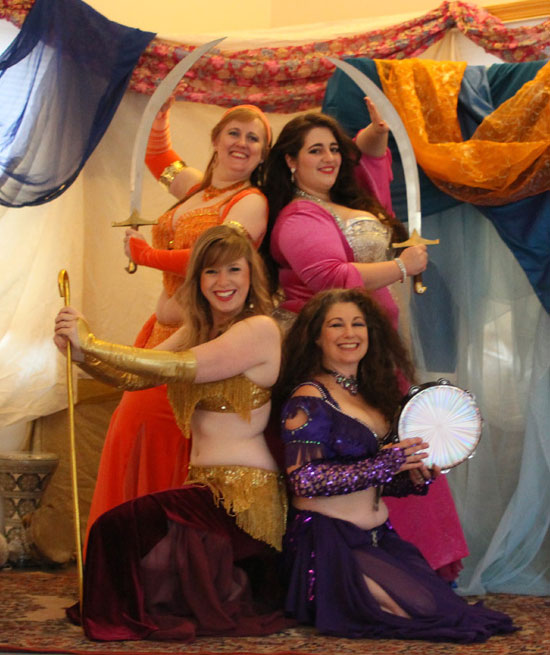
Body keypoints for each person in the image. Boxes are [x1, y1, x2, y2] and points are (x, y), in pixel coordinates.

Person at [54, 225, 292, 642]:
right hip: (202, 490)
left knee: (117, 529)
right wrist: (80, 355)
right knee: (131, 546)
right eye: (211, 272)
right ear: (197, 280)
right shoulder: (198, 330)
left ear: (250, 275)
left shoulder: (258, 329)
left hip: (242, 501)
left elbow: (179, 368)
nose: (223, 282)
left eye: (233, 270)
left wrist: (90, 341)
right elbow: (134, 376)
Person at [262, 107, 468, 580]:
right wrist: (401, 268)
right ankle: (363, 570)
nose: (329, 158)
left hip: (371, 355)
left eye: (334, 149)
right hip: (334, 355)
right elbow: (328, 277)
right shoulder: (297, 216)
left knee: (397, 443)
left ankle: (416, 566)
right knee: (361, 452)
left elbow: (371, 162)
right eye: (315, 150)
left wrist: (376, 132)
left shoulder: (344, 201)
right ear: (291, 161)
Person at [277, 288, 517, 642]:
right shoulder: (310, 398)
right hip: (329, 543)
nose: (349, 333)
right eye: (336, 325)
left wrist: (412, 477)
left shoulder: (370, 395)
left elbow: (372, 481)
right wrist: (387, 462)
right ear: (316, 336)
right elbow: (306, 480)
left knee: (445, 609)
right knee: (420, 612)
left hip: (378, 538)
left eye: (358, 324)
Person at [85, 104, 272, 548]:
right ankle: (122, 555)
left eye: (254, 138)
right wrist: (160, 110)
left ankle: (154, 555)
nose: (242, 143)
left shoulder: (251, 202)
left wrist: (146, 255)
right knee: (130, 432)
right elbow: (158, 158)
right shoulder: (194, 189)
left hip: (201, 339)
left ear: (263, 154)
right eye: (234, 132)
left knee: (161, 439)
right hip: (158, 332)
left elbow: (215, 257)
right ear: (216, 139)